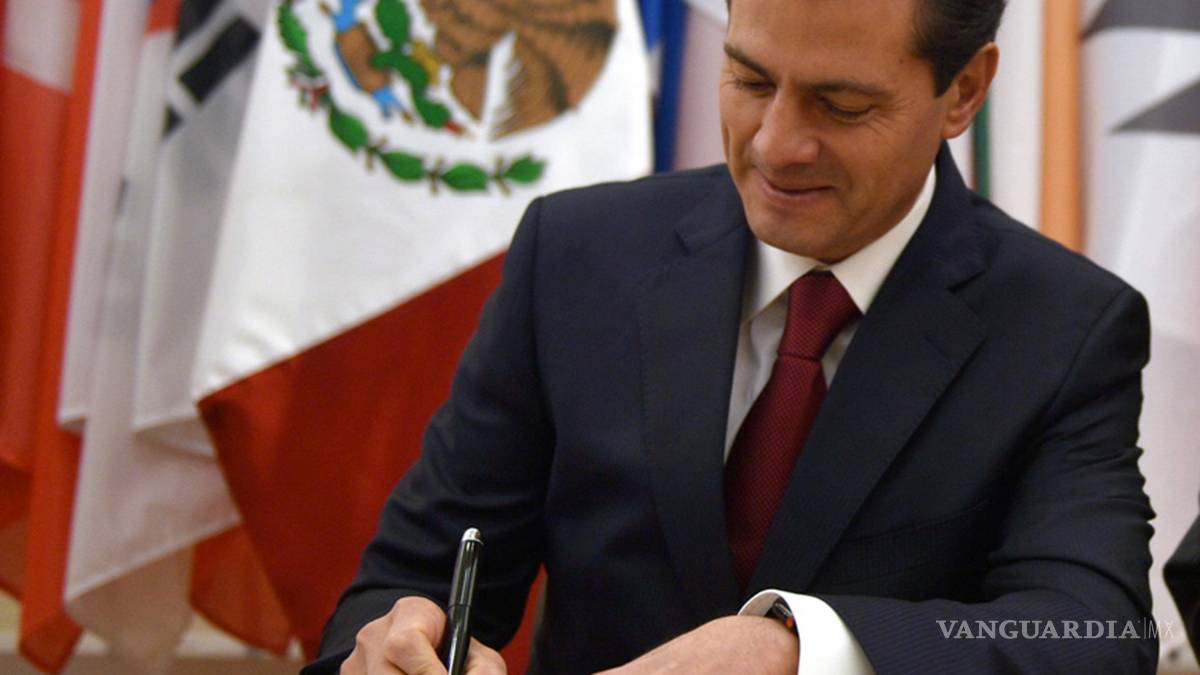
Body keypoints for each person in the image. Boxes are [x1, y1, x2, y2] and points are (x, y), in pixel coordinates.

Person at [304, 0, 1158, 672]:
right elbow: (412, 577)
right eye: (749, 79)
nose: (776, 145)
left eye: (842, 104)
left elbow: (1092, 632)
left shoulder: (1066, 327)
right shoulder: (574, 255)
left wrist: (798, 647)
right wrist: (395, 644)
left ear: (964, 90)